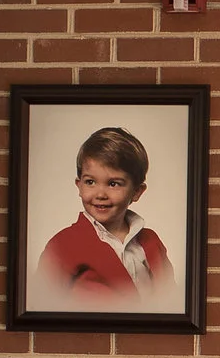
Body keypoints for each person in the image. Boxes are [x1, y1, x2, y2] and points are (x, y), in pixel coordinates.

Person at [36, 125, 174, 307]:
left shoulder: (152, 242)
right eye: (90, 182)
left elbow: (171, 300)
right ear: (79, 186)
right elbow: (41, 305)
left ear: (137, 192)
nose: (100, 194)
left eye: (113, 184)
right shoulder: (61, 247)